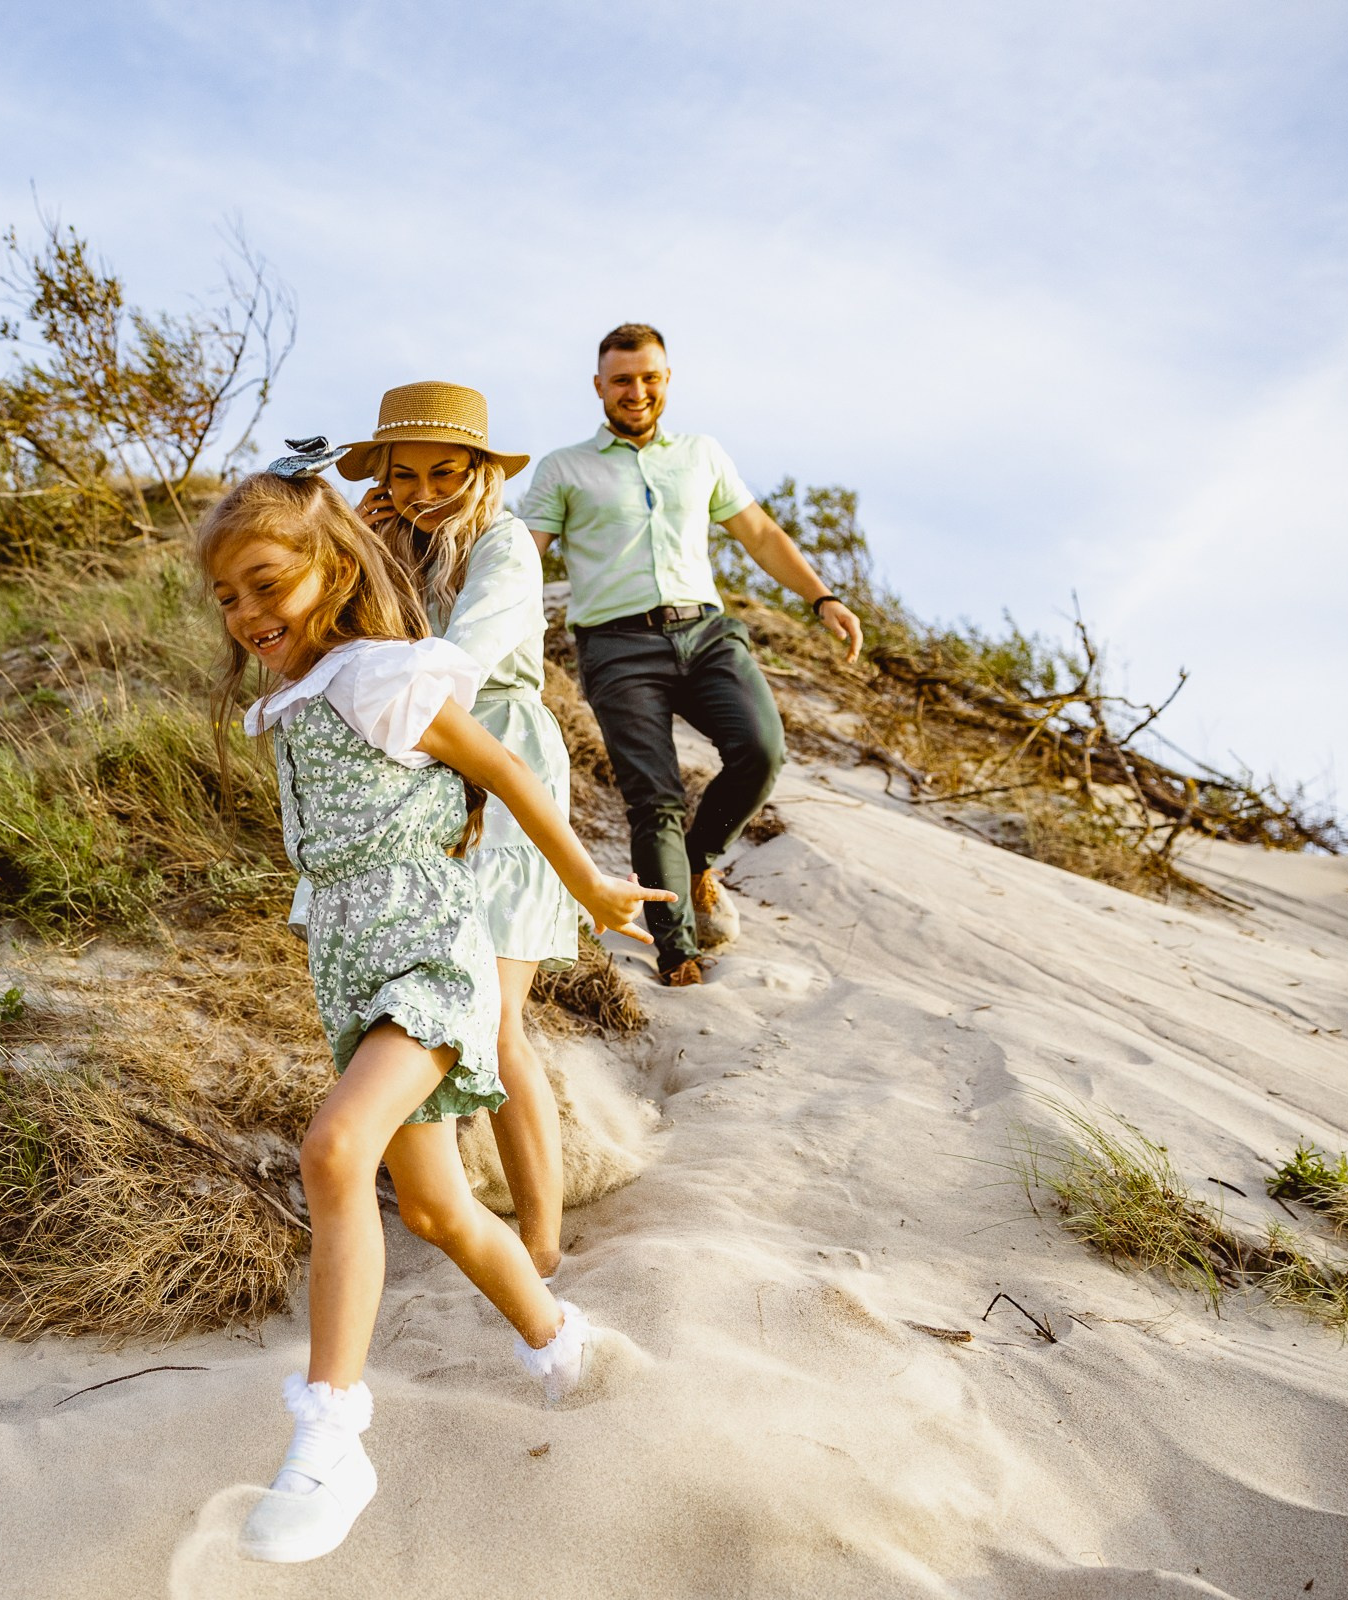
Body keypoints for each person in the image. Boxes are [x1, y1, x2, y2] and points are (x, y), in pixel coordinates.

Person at [199, 462, 671, 1564]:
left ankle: (331, 1433)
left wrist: (591, 884)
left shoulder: (381, 677)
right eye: (227, 597)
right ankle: (568, 1351)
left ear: (327, 568)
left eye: (266, 583)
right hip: (357, 971)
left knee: (333, 1149)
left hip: (428, 952)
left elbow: (505, 767)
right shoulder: (296, 699)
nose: (248, 614)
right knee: (438, 1209)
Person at [520, 324, 863, 986]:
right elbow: (525, 553)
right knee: (655, 797)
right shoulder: (564, 468)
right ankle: (677, 950)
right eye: (622, 380)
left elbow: (759, 534)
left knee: (761, 748)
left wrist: (823, 599)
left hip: (705, 634)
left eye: (650, 377)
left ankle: (699, 860)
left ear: (667, 380)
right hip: (617, 646)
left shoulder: (701, 454)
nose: (636, 391)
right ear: (599, 387)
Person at [331, 380, 578, 1276]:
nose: (426, 488)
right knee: (414, 997)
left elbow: (462, 657)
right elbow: (326, 646)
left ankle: (542, 1241)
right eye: (405, 474)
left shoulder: (504, 545)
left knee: (497, 1011)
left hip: (499, 756)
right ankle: (442, 1203)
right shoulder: (385, 544)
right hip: (408, 776)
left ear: (479, 470)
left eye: (445, 469)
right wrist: (352, 544)